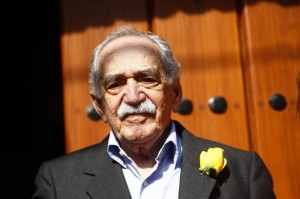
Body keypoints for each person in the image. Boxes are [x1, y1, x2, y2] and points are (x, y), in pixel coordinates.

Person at [32, 26, 276, 199]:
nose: (133, 96)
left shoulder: (243, 171)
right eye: (115, 84)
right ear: (99, 106)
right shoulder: (58, 181)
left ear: (176, 93)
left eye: (147, 79)